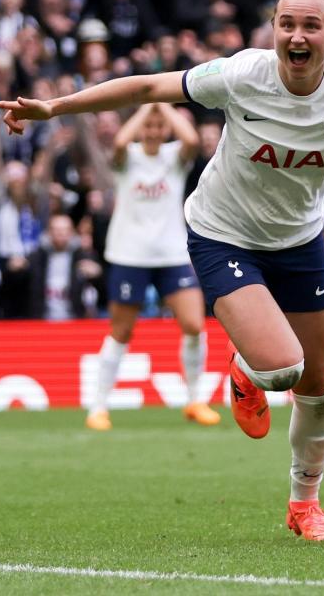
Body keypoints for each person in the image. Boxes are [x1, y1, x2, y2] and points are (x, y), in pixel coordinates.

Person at [0, 0, 324, 541]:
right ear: (273, 31)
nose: (296, 35)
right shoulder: (243, 74)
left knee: (317, 384)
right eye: (286, 23)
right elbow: (146, 89)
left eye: (311, 25)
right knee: (282, 368)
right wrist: (56, 107)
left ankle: (304, 505)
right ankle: (246, 370)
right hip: (223, 233)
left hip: (300, 241)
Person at [86, 102, 219, 431]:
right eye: (149, 125)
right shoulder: (126, 157)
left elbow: (190, 139)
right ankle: (99, 406)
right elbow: (118, 143)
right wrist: (148, 108)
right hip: (130, 254)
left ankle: (194, 400)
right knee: (122, 331)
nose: (154, 131)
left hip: (171, 254)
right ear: (141, 126)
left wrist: (162, 104)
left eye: (160, 126)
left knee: (193, 324)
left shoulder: (175, 157)